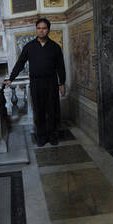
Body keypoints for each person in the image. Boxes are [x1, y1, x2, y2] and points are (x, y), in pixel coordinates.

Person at [4, 18, 66, 147]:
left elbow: (61, 66)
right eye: (39, 28)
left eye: (44, 28)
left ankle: (53, 136)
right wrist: (11, 78)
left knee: (52, 110)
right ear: (36, 29)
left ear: (48, 30)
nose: (41, 30)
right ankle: (41, 137)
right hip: (36, 83)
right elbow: (20, 63)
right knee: (39, 110)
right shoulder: (29, 46)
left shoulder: (55, 47)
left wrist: (62, 83)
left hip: (51, 82)